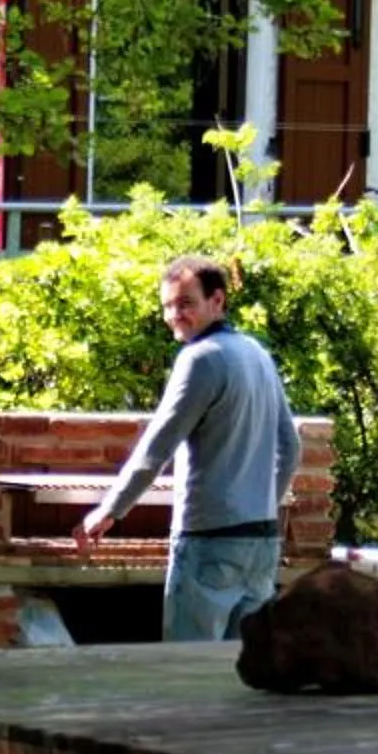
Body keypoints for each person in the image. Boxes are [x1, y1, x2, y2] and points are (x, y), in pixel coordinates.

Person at [74, 254, 302, 642]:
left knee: (187, 666)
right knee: (244, 667)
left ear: (218, 300)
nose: (174, 315)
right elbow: (291, 447)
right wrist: (262, 505)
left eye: (186, 304)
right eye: (167, 306)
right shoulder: (258, 354)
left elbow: (157, 448)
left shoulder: (201, 359)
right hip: (261, 543)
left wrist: (109, 510)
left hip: (209, 542)